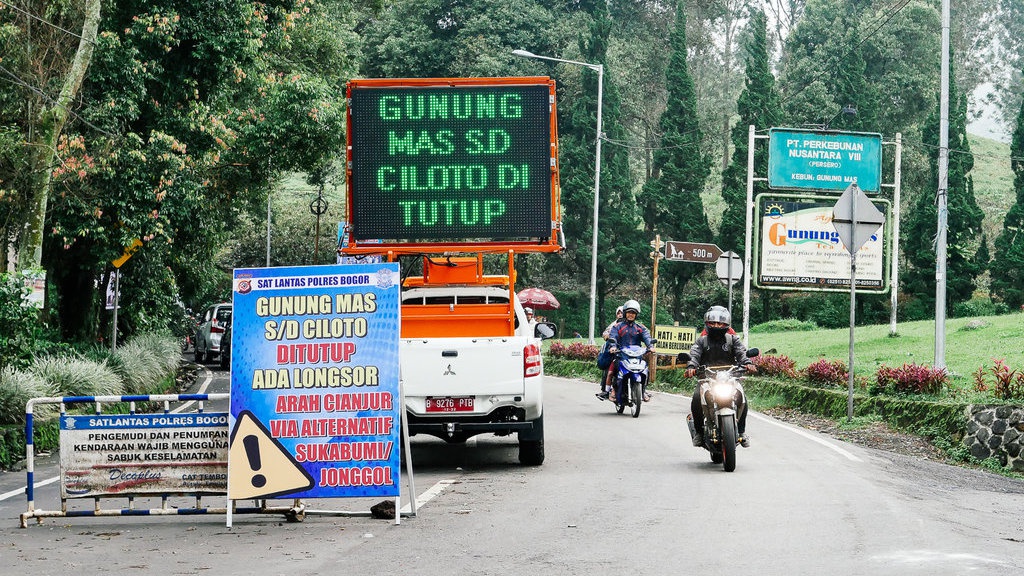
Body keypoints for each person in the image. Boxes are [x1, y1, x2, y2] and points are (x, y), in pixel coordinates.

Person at [685, 305, 757, 447]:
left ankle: (741, 431)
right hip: (707, 378)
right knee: (696, 398)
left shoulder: (732, 340)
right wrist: (691, 366)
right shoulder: (702, 341)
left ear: (726, 324)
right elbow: (694, 354)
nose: (716, 326)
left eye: (720, 323)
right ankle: (699, 433)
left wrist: (748, 363)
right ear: (707, 323)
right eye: (713, 323)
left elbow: (741, 352)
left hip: (729, 377)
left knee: (742, 398)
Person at [605, 300, 654, 402]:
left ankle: (643, 390)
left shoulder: (640, 328)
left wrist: (650, 346)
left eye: (633, 313)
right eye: (629, 312)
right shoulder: (617, 326)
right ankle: (613, 390)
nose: (631, 315)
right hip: (621, 356)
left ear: (636, 315)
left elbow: (647, 337)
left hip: (637, 357)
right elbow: (613, 336)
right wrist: (613, 346)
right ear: (625, 313)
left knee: (646, 370)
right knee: (614, 371)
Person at [596, 306, 624, 400]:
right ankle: (606, 390)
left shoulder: (631, 325)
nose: (620, 314)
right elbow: (605, 334)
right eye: (618, 313)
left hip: (627, 352)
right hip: (614, 351)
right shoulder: (613, 325)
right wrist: (609, 338)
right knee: (609, 370)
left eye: (622, 312)